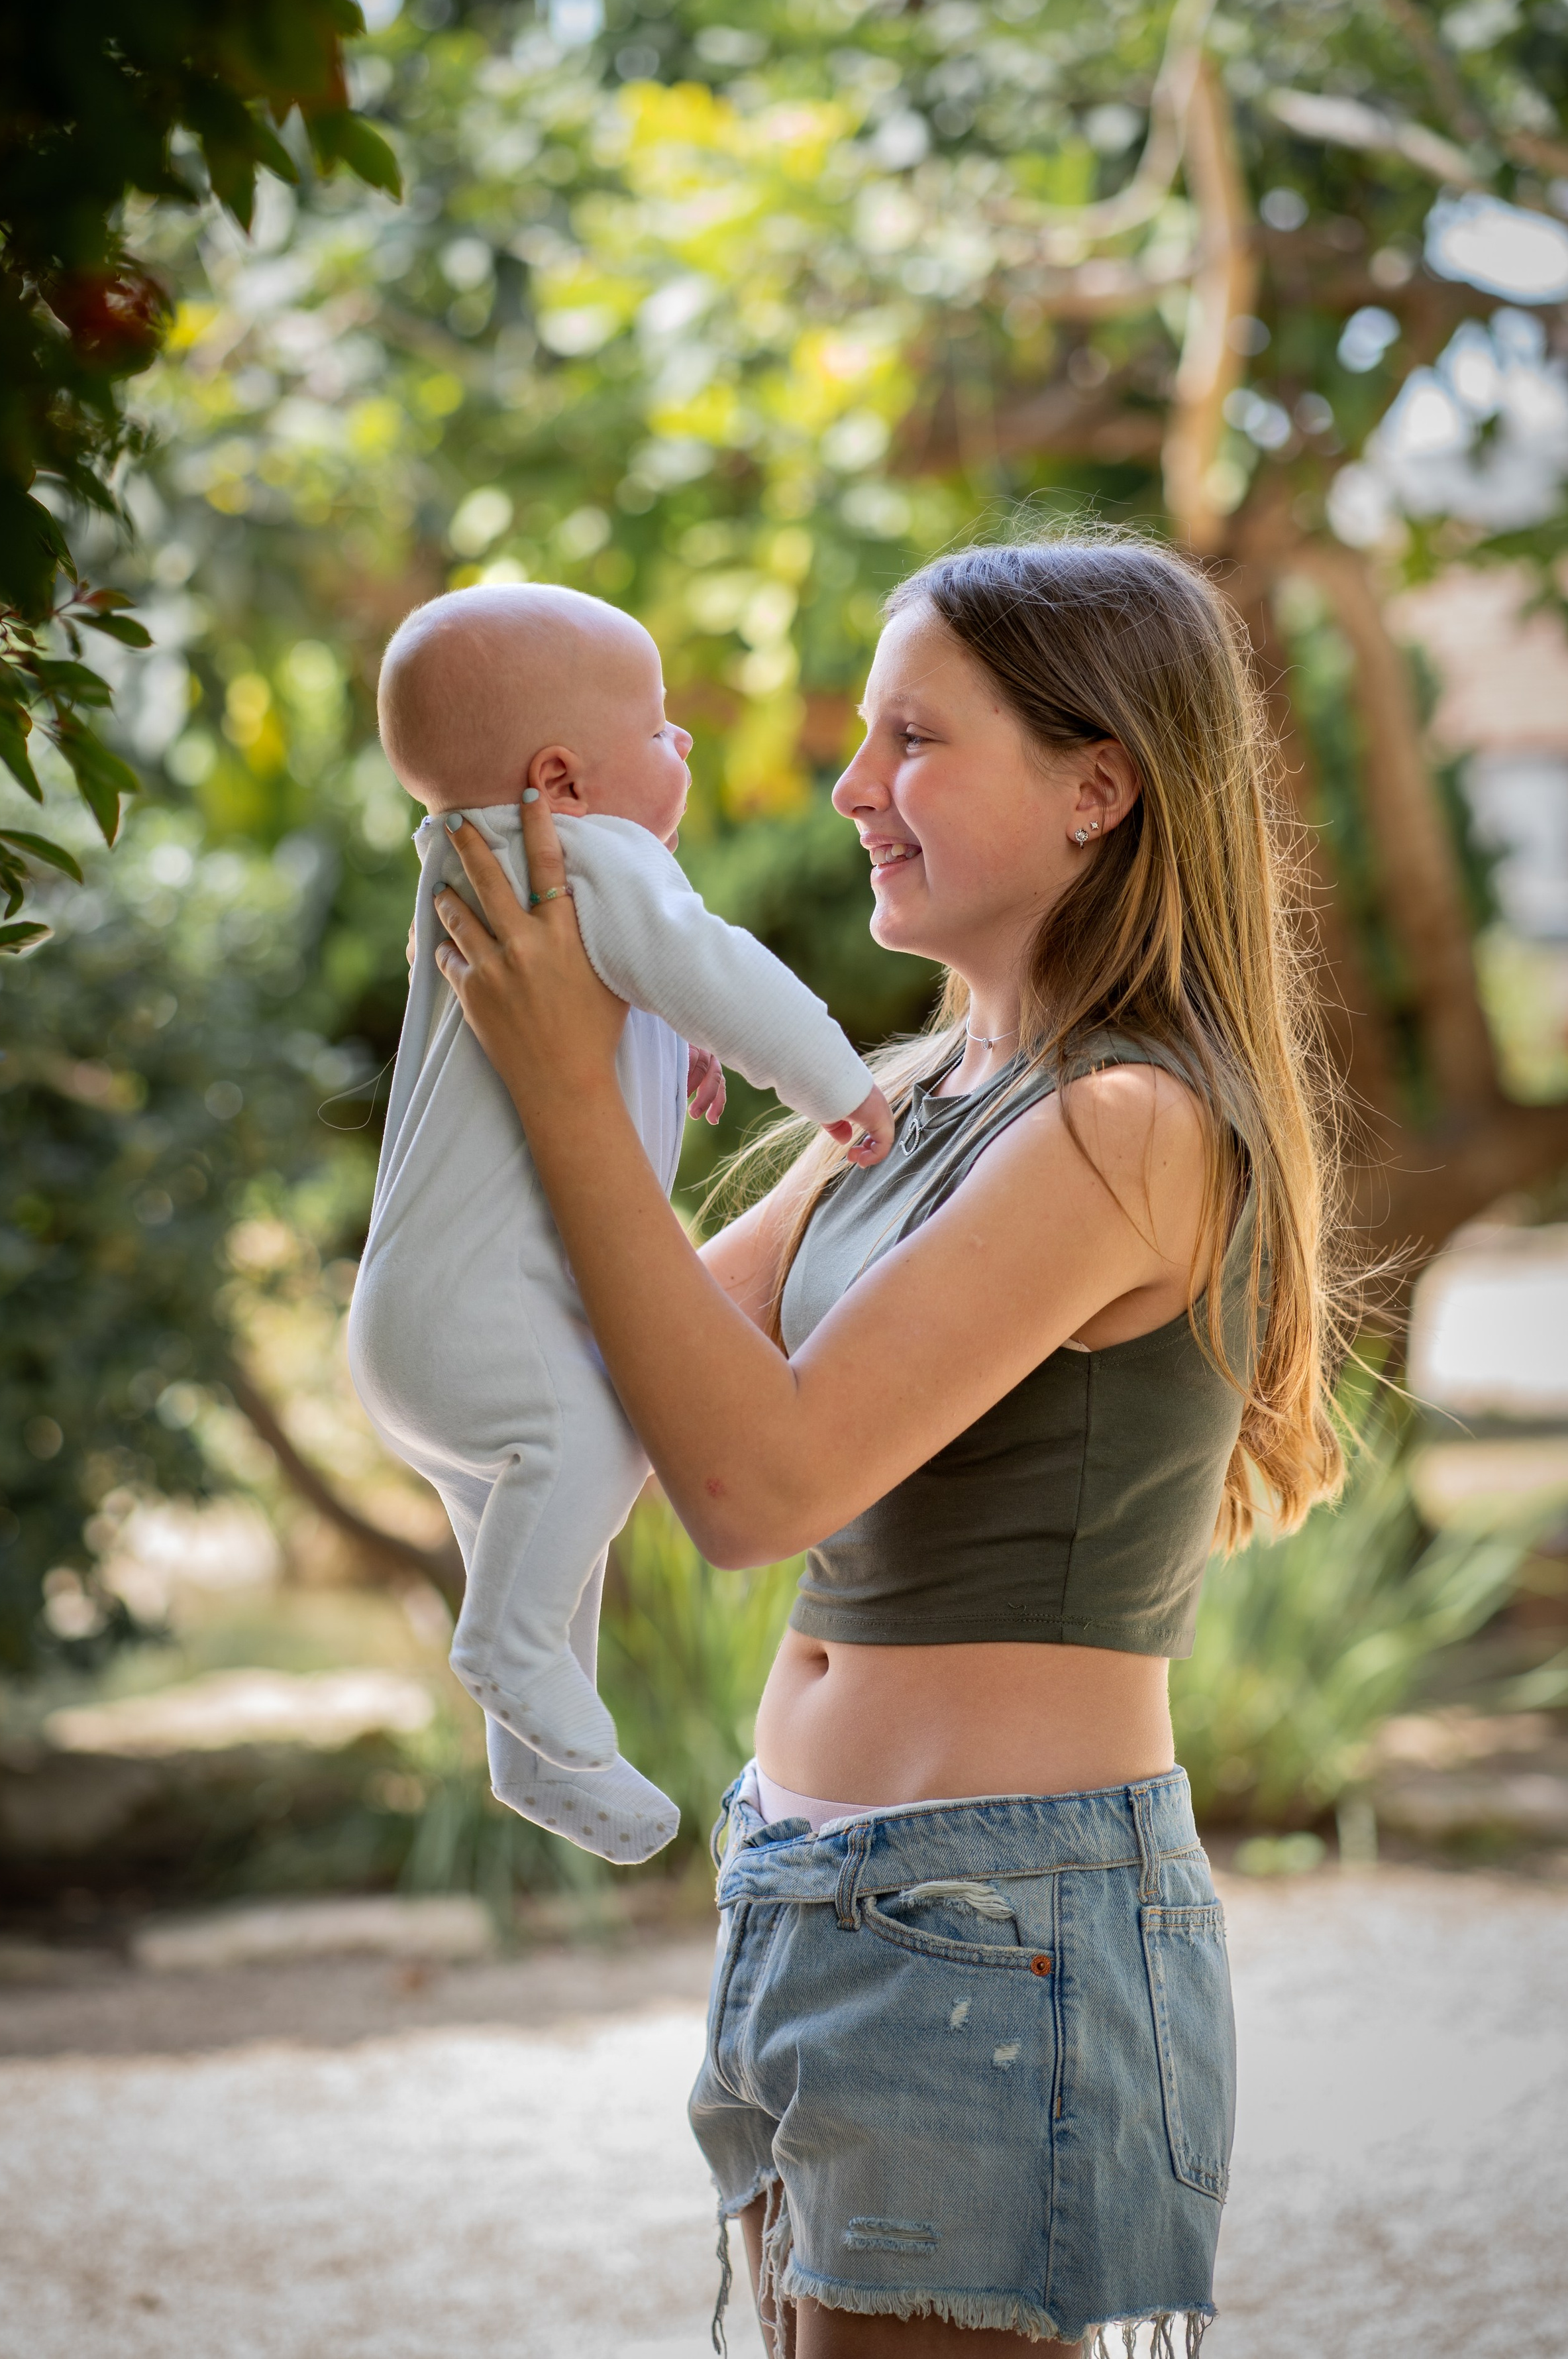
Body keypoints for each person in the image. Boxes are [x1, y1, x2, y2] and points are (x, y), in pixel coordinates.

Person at [425, 539, 1347, 2354]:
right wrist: (569, 1040)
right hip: (816, 1876)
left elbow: (759, 1488)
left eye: (913, 738)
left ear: (1099, 789)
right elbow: (628, 1373)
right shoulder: (923, 1091)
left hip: (996, 1908)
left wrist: (560, 1089)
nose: (852, 790)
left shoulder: (1131, 1128)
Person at [349, 582, 892, 1867]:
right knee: (596, 1449)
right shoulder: (588, 858)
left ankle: (534, 1758)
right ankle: (507, 1659)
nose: (686, 746)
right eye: (657, 729)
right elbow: (718, 969)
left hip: (420, 1321)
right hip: (481, 1315)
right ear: (561, 778)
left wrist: (675, 1045)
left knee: (540, 1521)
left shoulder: (471, 871)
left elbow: (631, 1002)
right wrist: (834, 1085)